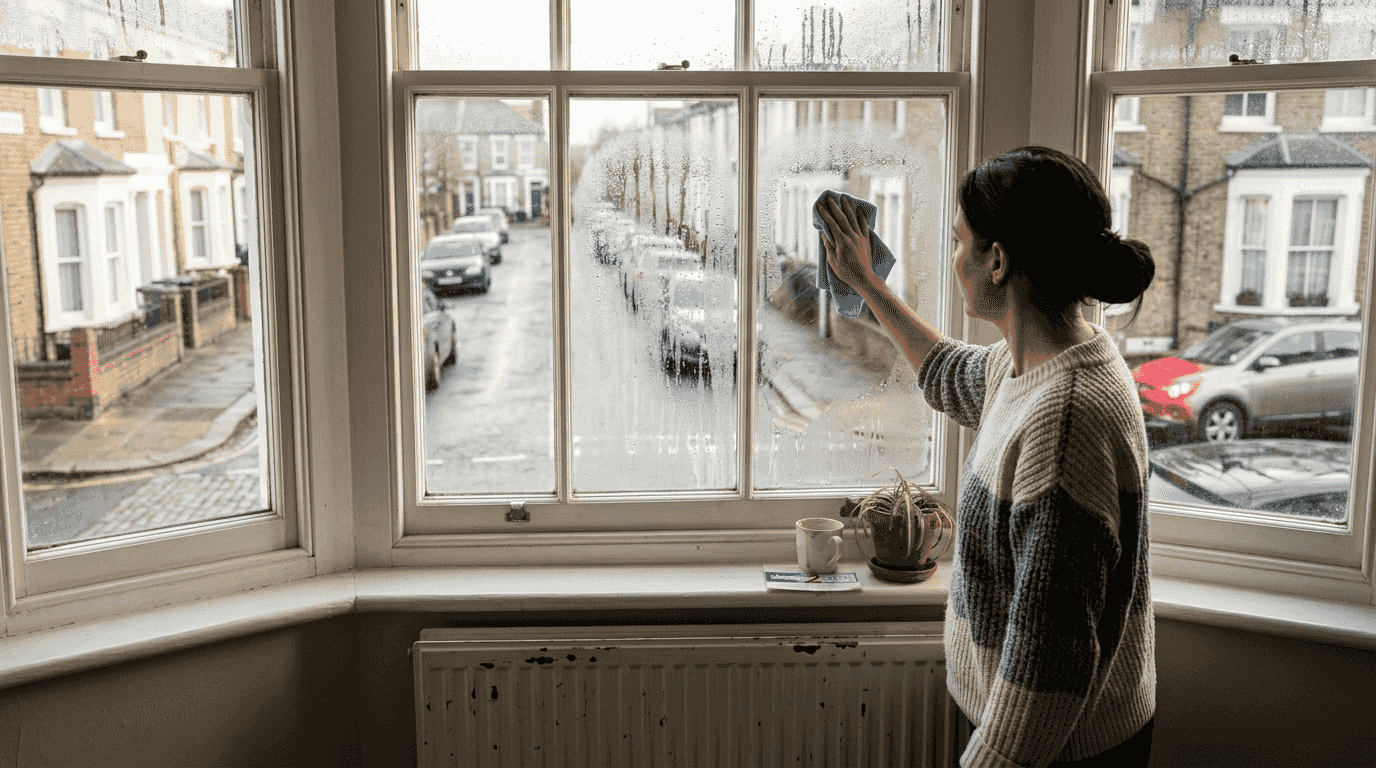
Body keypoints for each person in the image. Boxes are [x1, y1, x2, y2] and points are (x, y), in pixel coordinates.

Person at [817, 146, 1157, 768]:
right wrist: (865, 282)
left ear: (996, 260)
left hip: (1054, 747)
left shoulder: (1065, 422)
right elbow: (948, 372)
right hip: (1028, 727)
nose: (952, 259)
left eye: (957, 242)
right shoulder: (1031, 364)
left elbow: (1047, 675)